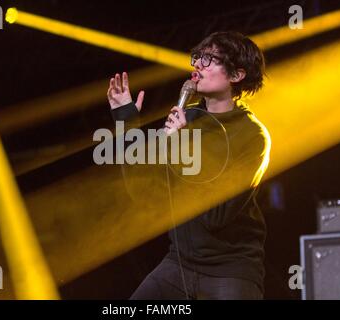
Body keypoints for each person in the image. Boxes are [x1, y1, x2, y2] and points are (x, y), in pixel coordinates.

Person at [107, 31, 271, 300]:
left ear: (236, 75)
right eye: (197, 57)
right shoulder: (187, 119)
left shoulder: (252, 136)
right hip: (179, 263)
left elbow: (216, 216)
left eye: (209, 59)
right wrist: (126, 120)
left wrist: (182, 145)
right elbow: (143, 190)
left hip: (229, 270)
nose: (197, 65)